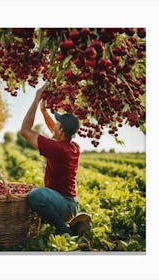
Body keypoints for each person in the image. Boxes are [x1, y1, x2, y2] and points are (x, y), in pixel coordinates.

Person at [20, 83, 92, 236]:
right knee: (37, 199)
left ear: (61, 131)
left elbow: (25, 131)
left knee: (35, 195)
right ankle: (67, 224)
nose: (54, 126)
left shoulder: (58, 149)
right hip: (69, 203)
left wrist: (36, 99)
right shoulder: (72, 147)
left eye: (57, 125)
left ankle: (64, 230)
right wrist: (43, 111)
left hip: (65, 205)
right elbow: (54, 128)